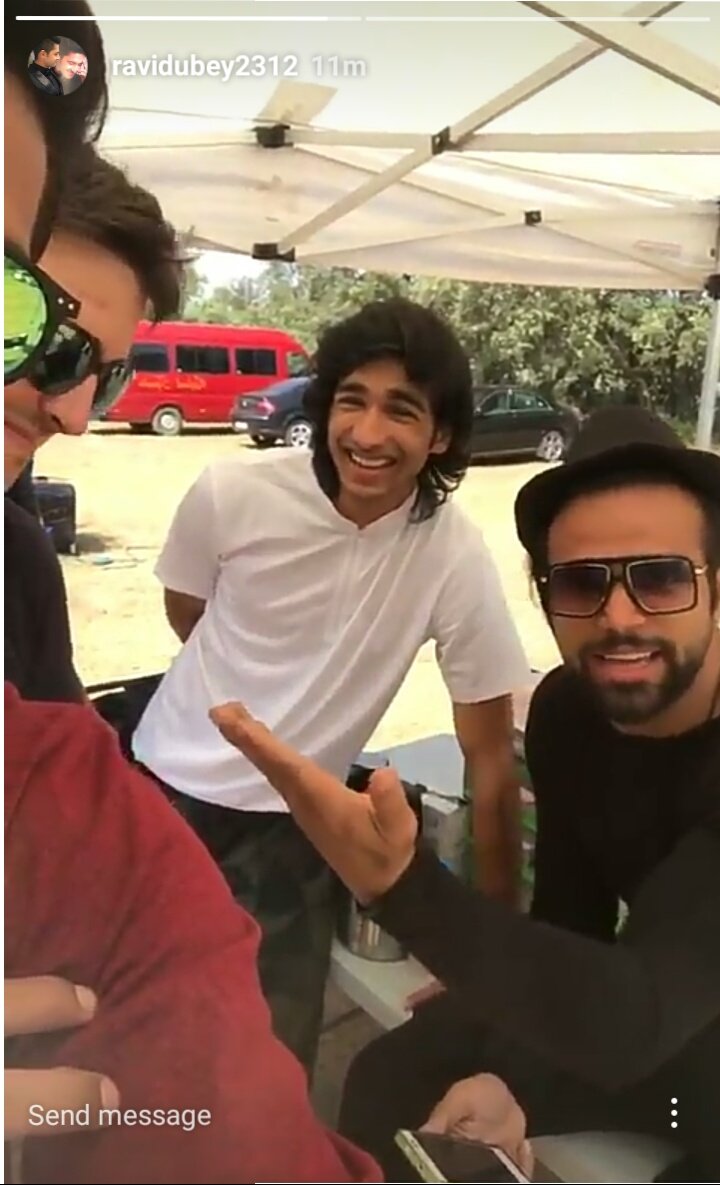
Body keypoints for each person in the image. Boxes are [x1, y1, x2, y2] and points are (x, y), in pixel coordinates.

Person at [210, 407, 720, 1181]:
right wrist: (510, 1062)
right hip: (647, 1022)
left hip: (685, 1059)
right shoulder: (566, 712)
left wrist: (403, 887)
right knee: (393, 1079)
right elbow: (571, 923)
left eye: (660, 577)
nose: (619, 617)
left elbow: (635, 1018)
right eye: (581, 582)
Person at [132, 298, 531, 1072]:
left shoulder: (452, 552)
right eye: (353, 400)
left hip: (296, 828)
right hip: (159, 790)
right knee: (129, 1030)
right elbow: (190, 613)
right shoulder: (232, 491)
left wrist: (489, 950)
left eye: (402, 410)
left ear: (440, 434)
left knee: (265, 1067)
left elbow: (488, 757)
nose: (368, 434)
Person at [5, 142, 182, 703]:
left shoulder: (18, 562)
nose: (75, 417)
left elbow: (66, 740)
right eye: (56, 344)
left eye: (108, 378)